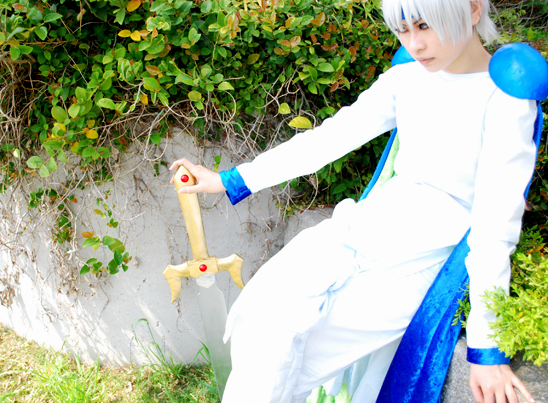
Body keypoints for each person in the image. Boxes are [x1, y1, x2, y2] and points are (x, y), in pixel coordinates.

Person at [169, 0, 539, 401]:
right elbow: (332, 137)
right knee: (260, 315)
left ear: (472, 9)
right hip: (367, 227)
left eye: (424, 26)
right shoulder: (407, 77)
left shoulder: (505, 97)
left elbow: (495, 226)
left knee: (299, 356)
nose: (414, 44)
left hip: (428, 255)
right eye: (402, 29)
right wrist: (232, 180)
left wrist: (487, 349)